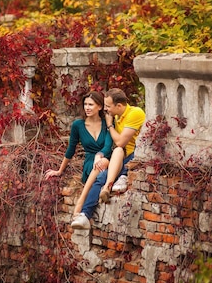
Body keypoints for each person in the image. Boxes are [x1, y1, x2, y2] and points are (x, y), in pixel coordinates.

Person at [70, 87, 145, 230]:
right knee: (101, 176)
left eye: (108, 106)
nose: (106, 109)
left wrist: (110, 124)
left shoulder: (135, 113)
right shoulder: (115, 117)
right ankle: (85, 215)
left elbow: (120, 142)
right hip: (122, 157)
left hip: (136, 156)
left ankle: (120, 177)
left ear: (119, 106)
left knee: (117, 151)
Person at [44, 91, 113, 203]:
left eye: (91, 105)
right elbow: (71, 149)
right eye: (85, 104)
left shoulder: (107, 123)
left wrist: (99, 155)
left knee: (107, 170)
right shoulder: (78, 125)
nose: (87, 108)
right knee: (99, 173)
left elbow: (108, 146)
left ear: (100, 106)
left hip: (108, 160)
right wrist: (59, 171)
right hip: (90, 163)